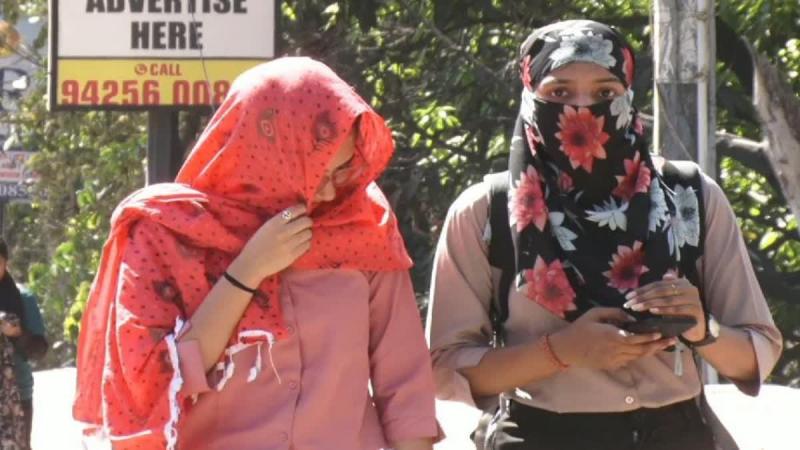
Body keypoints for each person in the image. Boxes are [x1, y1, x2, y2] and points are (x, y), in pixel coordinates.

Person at [426, 20, 782, 450]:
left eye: (604, 93)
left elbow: (756, 354)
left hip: (675, 435)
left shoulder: (688, 198)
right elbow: (444, 368)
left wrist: (701, 327)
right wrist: (560, 351)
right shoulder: (487, 211)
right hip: (541, 437)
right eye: (559, 93)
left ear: (627, 97)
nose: (582, 109)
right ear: (530, 96)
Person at [73, 57, 440, 450]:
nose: (332, 192)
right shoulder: (167, 233)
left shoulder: (362, 224)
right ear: (265, 153)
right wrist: (248, 270)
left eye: (343, 169)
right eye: (317, 173)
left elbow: (405, 387)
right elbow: (150, 383)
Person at [0, 237, 47, 450]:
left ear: (6, 261)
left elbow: (39, 350)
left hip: (17, 396)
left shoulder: (23, 297)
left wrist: (17, 333)